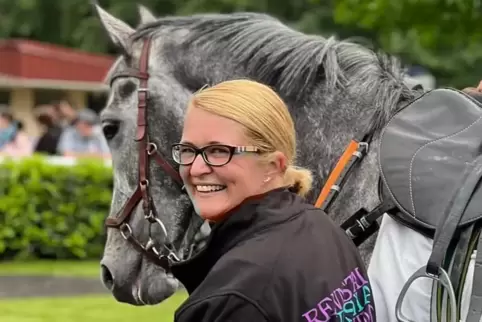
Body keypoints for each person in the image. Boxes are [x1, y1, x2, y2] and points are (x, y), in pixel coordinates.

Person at [169, 79, 376, 322]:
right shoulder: (325, 229)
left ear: (273, 165)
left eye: (219, 151)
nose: (196, 168)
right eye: (188, 150)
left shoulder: (233, 300)